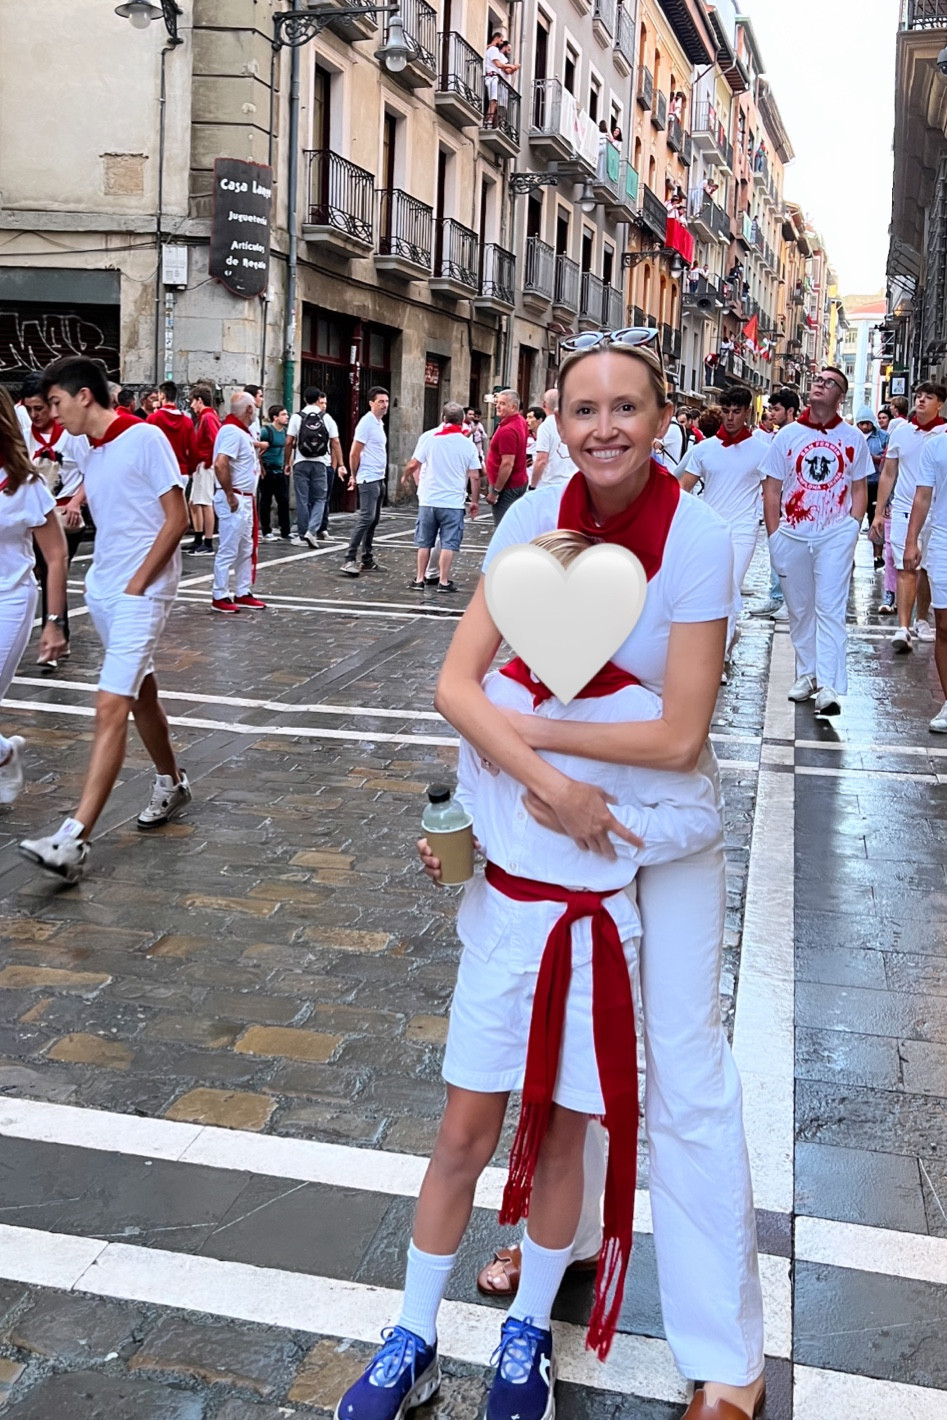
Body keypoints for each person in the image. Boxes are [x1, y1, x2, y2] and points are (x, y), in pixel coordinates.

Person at [335, 522, 725, 1420]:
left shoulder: (638, 709)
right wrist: (450, 849)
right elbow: (470, 796)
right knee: (461, 1138)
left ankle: (527, 1328)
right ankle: (412, 1332)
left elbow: (694, 818)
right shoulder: (491, 699)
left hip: (593, 946)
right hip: (504, 939)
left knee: (559, 1141)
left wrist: (606, 823)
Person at [448, 332, 764, 1420]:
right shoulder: (529, 516)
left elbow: (680, 733)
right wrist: (516, 781)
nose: (603, 428)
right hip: (545, 813)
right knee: (548, 1032)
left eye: (625, 406)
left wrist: (529, 734)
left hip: (655, 827)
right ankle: (559, 1235)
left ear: (661, 415)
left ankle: (725, 1356)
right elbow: (462, 677)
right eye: (582, 409)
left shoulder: (703, 537)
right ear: (556, 419)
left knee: (679, 1062)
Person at [18, 356, 191, 882]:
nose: (51, 413)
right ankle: (173, 782)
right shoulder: (87, 445)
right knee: (142, 697)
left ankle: (74, 839)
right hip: (103, 590)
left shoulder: (144, 438)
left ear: (84, 397)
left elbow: (177, 517)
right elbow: (34, 437)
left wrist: (140, 584)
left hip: (140, 594)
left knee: (109, 704)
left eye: (56, 402)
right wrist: (74, 494)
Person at [761, 366, 871, 718]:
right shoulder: (787, 436)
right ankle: (807, 674)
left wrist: (852, 527)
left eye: (828, 383)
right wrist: (774, 534)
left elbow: (859, 488)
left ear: (841, 394)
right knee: (800, 608)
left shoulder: (854, 438)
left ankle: (829, 685)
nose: (819, 386)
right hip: (792, 532)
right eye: (817, 381)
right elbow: (772, 488)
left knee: (830, 607)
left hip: (835, 533)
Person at [0, 387, 69, 805]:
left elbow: (57, 555)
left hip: (9, 599)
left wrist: (55, 621)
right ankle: (4, 754)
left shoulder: (25, 484)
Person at [679, 385, 766, 662]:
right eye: (726, 411)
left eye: (736, 412)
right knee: (710, 589)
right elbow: (683, 488)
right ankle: (724, 642)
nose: (730, 418)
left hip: (743, 530)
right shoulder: (704, 449)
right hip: (709, 529)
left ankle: (717, 658)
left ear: (747, 413)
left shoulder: (763, 450)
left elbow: (774, 492)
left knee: (730, 587)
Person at [18, 371, 92, 668]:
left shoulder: (72, 435)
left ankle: (57, 634)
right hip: (32, 511)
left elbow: (92, 472)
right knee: (32, 570)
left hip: (64, 515)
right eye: (30, 409)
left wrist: (76, 502)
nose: (35, 415)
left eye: (40, 408)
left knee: (53, 569)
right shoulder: (22, 432)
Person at [869, 380, 947, 652]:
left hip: (936, 512)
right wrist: (879, 511)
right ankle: (903, 626)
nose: (922, 401)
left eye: (929, 396)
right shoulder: (900, 433)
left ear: (940, 403)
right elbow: (889, 472)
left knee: (927, 569)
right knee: (906, 567)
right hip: (903, 508)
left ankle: (922, 619)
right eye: (918, 396)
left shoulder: (944, 434)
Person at [402, 402, 481, 594]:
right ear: (463, 421)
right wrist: (475, 501)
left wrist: (405, 476)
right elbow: (475, 476)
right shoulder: (467, 444)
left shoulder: (429, 438)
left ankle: (420, 578)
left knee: (424, 542)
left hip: (429, 500)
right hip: (452, 502)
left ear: (443, 418)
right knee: (448, 543)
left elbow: (414, 464)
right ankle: (443, 581)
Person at [210, 391, 266, 613]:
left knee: (245, 548)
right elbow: (220, 464)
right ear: (249, 409)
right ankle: (220, 594)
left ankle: (242, 590)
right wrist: (230, 495)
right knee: (229, 548)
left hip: (244, 498)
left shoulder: (240, 432)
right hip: (235, 498)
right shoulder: (233, 432)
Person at [905, 435, 947, 730]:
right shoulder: (936, 446)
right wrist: (911, 540)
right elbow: (922, 495)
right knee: (944, 624)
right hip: (943, 536)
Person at [749, 389, 799, 620]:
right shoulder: (783, 435)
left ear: (790, 411)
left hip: (790, 505)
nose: (771, 414)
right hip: (784, 503)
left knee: (783, 553)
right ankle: (778, 597)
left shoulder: (789, 435)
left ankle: (782, 599)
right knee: (779, 551)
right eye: (770, 409)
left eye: (776, 409)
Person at [286, 387, 344, 547]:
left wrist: (287, 463)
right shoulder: (327, 418)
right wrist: (341, 464)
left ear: (304, 399)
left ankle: (302, 534)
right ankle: (312, 530)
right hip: (320, 463)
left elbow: (289, 442)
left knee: (302, 499)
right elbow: (336, 442)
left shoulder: (297, 418)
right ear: (318, 399)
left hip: (300, 462)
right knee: (320, 498)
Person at [342, 387, 389, 577]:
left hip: (379, 477)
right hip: (368, 477)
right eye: (380, 402)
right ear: (371, 403)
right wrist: (354, 475)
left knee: (374, 519)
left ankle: (367, 559)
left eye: (386, 401)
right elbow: (354, 452)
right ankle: (349, 558)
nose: (385, 405)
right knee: (366, 518)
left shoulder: (379, 423)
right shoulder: (366, 423)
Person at [485, 389, 528, 524]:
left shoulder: (508, 430)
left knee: (503, 528)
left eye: (502, 403)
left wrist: (495, 491)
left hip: (507, 486)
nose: (497, 406)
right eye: (497, 403)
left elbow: (507, 464)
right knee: (514, 524)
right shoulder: (519, 421)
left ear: (513, 407)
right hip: (518, 481)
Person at [187, 384, 221, 555]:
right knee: (194, 502)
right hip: (202, 463)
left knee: (205, 502)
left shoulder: (207, 418)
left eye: (193, 402)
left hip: (205, 463)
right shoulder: (207, 416)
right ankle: (199, 538)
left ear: (199, 400)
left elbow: (216, 440)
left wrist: (209, 460)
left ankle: (207, 542)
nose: (192, 406)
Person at [854, 405, 888, 569]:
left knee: (876, 519)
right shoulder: (852, 436)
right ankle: (849, 555)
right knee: (854, 521)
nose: (865, 427)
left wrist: (874, 458)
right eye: (862, 424)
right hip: (857, 484)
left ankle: (878, 556)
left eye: (868, 423)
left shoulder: (882, 437)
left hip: (876, 483)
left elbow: (887, 460)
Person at [146, 381, 196, 485]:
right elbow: (193, 451)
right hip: (181, 472)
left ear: (162, 395)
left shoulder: (153, 419)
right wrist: (190, 470)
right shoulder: (187, 422)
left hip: (159, 472)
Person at [529, 389, 577, 492]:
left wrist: (532, 485)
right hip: (573, 482)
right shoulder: (574, 423)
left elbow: (541, 460)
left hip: (551, 484)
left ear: (544, 404)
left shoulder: (546, 427)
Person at [259, 405, 291, 542]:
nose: (286, 417)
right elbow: (256, 450)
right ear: (275, 417)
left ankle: (286, 531)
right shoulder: (266, 431)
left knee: (283, 501)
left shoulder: (285, 432)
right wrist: (261, 467)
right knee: (266, 501)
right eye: (283, 414)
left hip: (280, 470)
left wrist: (287, 464)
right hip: (268, 470)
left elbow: (288, 449)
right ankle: (266, 530)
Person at [525, 405, 544, 477]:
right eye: (527, 417)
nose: (526, 420)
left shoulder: (547, 437)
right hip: (526, 478)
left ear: (540, 420)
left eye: (530, 417)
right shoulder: (525, 436)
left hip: (543, 478)